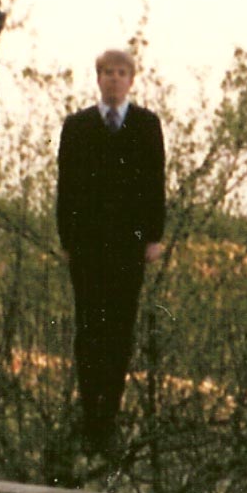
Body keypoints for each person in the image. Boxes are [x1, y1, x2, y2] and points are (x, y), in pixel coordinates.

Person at [56, 49, 165, 455]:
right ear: (97, 77)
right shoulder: (78, 126)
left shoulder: (146, 125)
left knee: (119, 330)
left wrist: (154, 236)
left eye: (121, 73)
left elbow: (157, 182)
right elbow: (65, 186)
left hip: (128, 245)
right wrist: (65, 238)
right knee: (89, 330)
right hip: (87, 245)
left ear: (131, 79)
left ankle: (109, 421)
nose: (115, 79)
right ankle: (90, 417)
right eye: (108, 73)